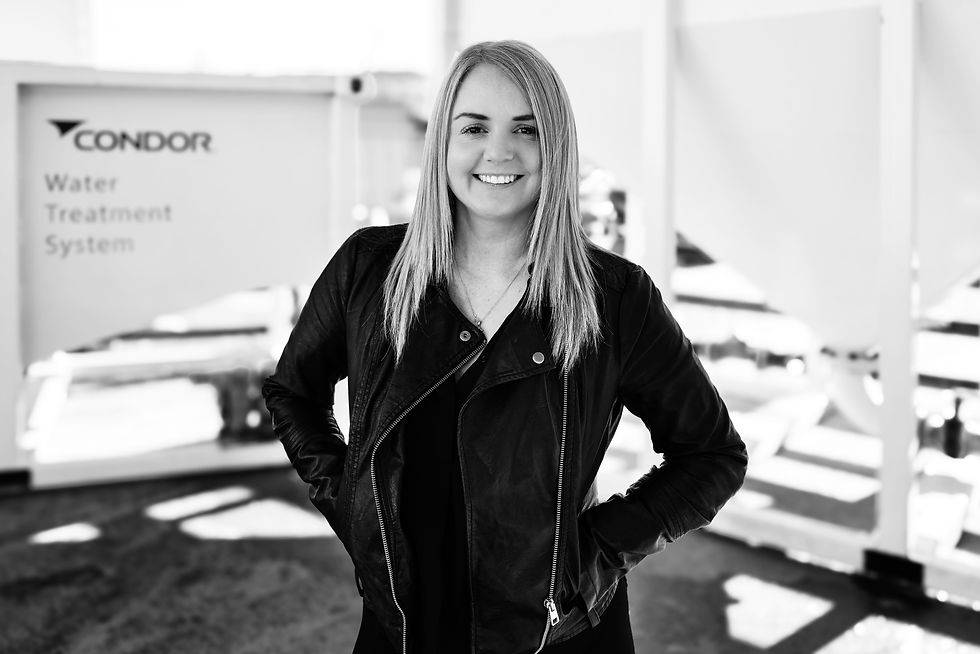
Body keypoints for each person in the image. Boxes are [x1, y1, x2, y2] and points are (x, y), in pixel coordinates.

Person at [263, 40, 747, 654]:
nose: (499, 151)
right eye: (474, 127)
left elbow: (711, 455)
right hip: (404, 629)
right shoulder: (369, 269)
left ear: (557, 148)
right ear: (443, 141)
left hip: (555, 635)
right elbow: (293, 392)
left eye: (527, 129)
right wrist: (350, 504)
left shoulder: (614, 297)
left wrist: (591, 555)